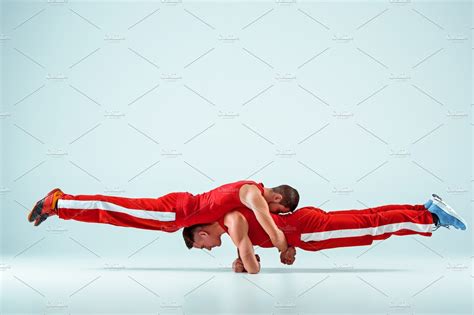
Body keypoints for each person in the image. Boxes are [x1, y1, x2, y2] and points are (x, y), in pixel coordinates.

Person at [182, 193, 467, 274]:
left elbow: (253, 267)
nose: (206, 249)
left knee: (372, 227)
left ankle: (431, 217)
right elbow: (249, 245)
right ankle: (425, 207)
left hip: (307, 232)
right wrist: (245, 257)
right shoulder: (232, 219)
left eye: (199, 245)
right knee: (368, 216)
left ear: (201, 233)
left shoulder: (233, 224)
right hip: (303, 221)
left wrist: (246, 264)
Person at [27, 180, 299, 253]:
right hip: (175, 210)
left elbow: (234, 227)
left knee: (116, 216)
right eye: (280, 211)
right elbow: (272, 231)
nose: (276, 215)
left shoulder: (248, 195)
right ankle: (59, 202)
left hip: (175, 217)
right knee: (115, 209)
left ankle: (61, 206)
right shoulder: (253, 193)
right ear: (277, 199)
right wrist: (284, 247)